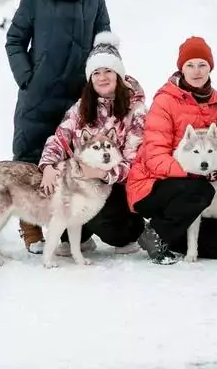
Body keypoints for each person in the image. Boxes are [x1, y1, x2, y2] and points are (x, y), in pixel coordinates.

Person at [5, 0, 111, 254]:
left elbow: (103, 45)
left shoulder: (95, 1)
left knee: (72, 158)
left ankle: (68, 225)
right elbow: (14, 41)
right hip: (38, 94)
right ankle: (30, 226)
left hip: (79, 97)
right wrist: (27, 78)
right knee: (29, 158)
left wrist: (101, 86)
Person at [36, 32, 146, 256]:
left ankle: (125, 231)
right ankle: (79, 237)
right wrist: (47, 165)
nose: (102, 77)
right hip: (80, 182)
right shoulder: (81, 107)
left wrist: (102, 173)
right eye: (96, 72)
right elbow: (59, 139)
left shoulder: (136, 110)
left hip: (115, 186)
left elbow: (135, 161)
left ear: (119, 75)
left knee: (111, 224)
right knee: (66, 198)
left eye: (108, 71)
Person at [126, 37, 217, 265]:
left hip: (189, 189)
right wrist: (193, 173)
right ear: (181, 68)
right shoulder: (165, 101)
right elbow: (155, 158)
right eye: (190, 65)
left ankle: (170, 236)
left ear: (210, 67)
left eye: (202, 65)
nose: (196, 71)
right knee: (200, 191)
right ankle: (154, 235)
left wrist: (215, 171)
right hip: (150, 184)